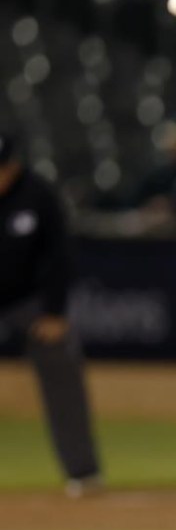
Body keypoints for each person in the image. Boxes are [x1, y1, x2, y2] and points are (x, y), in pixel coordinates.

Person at [0, 133, 102, 497]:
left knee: (61, 358)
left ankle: (83, 473)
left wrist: (55, 313)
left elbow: (59, 257)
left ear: (12, 166)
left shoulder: (37, 194)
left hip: (28, 301)